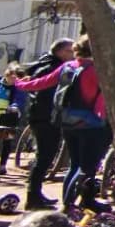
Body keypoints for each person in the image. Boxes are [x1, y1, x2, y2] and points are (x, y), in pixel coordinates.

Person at [11, 35, 111, 214]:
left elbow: (40, 83)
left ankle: (68, 204)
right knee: (86, 167)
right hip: (90, 123)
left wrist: (18, 82)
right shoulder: (97, 70)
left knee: (74, 165)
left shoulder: (67, 67)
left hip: (66, 122)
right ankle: (71, 205)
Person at [20, 37, 76, 210]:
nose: (73, 54)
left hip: (43, 116)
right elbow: (46, 94)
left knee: (44, 157)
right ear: (59, 51)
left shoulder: (46, 65)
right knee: (44, 157)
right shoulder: (53, 68)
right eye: (69, 51)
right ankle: (33, 197)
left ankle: (36, 193)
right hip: (45, 118)